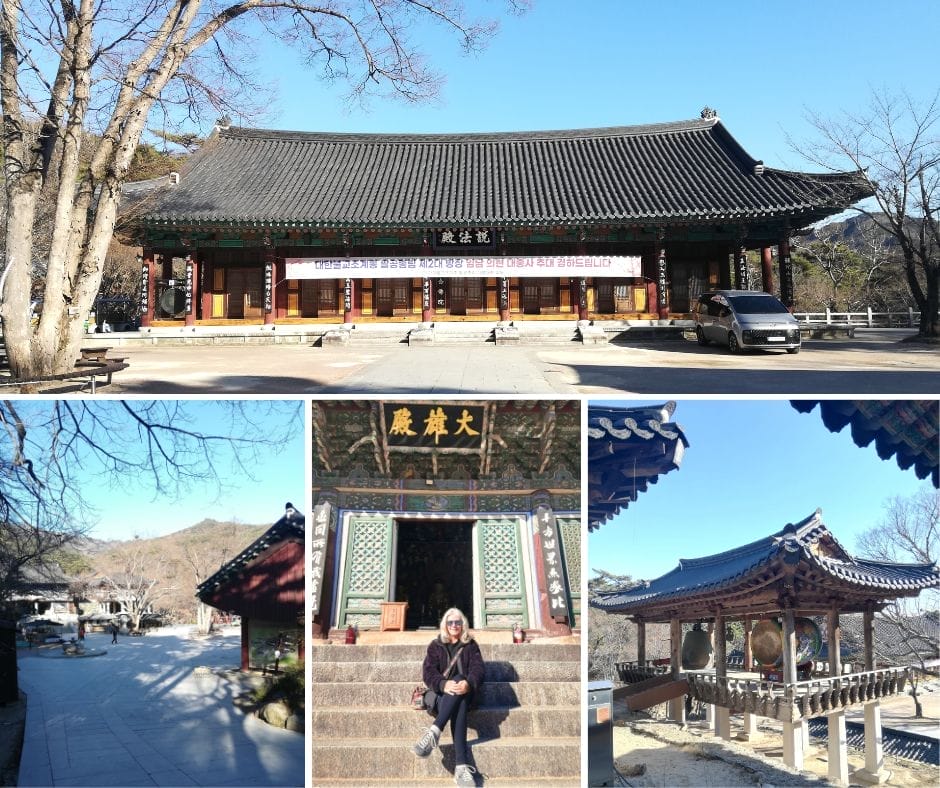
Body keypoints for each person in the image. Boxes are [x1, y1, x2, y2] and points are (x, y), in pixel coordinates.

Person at [413, 607, 485, 787]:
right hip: (440, 698)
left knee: (460, 682)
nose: (454, 625)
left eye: (458, 622)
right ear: (445, 624)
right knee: (457, 701)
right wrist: (443, 684)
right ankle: (461, 767)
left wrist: (468, 683)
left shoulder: (471, 645)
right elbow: (428, 672)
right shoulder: (435, 646)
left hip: (465, 695)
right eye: (450, 622)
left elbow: (479, 669)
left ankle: (434, 732)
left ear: (463, 625)